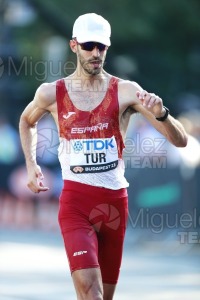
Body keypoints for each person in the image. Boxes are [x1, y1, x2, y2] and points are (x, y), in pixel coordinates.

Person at [19, 13, 188, 300]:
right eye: (89, 46)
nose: (96, 53)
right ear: (74, 46)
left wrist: (162, 114)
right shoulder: (51, 93)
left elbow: (180, 140)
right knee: (91, 291)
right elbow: (26, 121)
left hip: (113, 205)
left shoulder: (126, 91)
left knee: (104, 297)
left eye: (102, 47)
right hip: (76, 203)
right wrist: (31, 164)